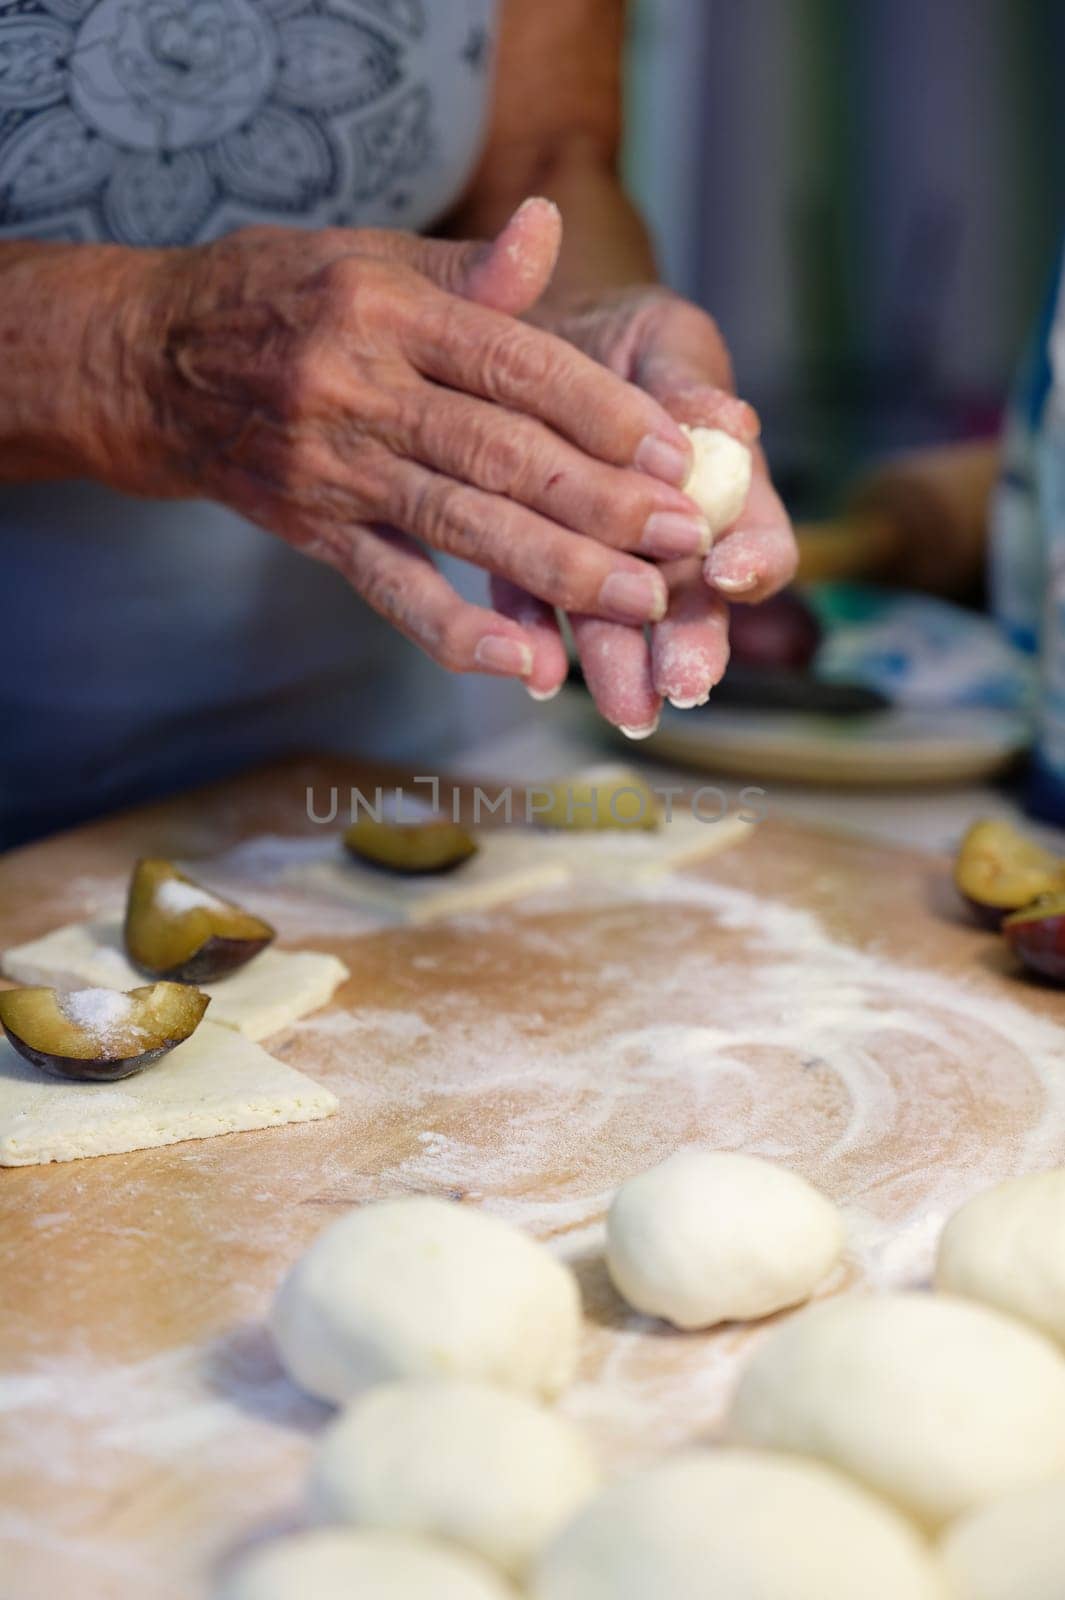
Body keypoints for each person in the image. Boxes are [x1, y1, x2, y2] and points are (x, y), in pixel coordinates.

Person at [0, 0, 795, 844]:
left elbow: (549, 154)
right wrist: (136, 352)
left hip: (338, 769)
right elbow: (139, 350)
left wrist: (574, 333)